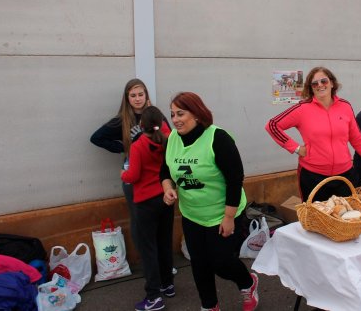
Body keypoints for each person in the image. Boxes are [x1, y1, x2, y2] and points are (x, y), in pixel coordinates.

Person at [161, 92, 258, 311]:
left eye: (181, 113)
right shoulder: (172, 139)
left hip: (222, 213)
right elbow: (165, 170)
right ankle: (209, 306)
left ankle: (247, 283)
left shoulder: (218, 138)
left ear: (196, 113)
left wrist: (229, 217)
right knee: (199, 264)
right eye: (172, 114)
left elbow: (235, 179)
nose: (175, 119)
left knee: (221, 262)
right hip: (192, 214)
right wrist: (168, 189)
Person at [265, 66, 361, 202]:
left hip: (345, 176)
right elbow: (272, 125)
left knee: (346, 219)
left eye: (323, 81)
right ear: (310, 87)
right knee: (316, 220)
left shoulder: (345, 106)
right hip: (314, 177)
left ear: (331, 83)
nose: (320, 85)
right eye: (315, 83)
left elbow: (357, 140)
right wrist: (296, 148)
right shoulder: (302, 109)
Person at [90, 79, 170, 249]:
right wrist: (125, 147)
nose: (137, 98)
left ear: (146, 95)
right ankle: (147, 261)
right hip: (134, 177)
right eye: (133, 95)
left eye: (141, 94)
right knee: (139, 222)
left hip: (158, 176)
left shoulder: (156, 116)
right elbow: (96, 138)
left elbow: (170, 140)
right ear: (127, 98)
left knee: (161, 222)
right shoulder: (123, 120)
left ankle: (162, 263)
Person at [121, 106, 174, 311]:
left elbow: (132, 176)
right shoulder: (168, 141)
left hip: (145, 202)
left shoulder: (139, 144)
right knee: (164, 243)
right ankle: (168, 285)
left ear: (141, 125)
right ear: (161, 123)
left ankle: (153, 296)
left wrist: (122, 174)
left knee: (148, 248)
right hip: (165, 198)